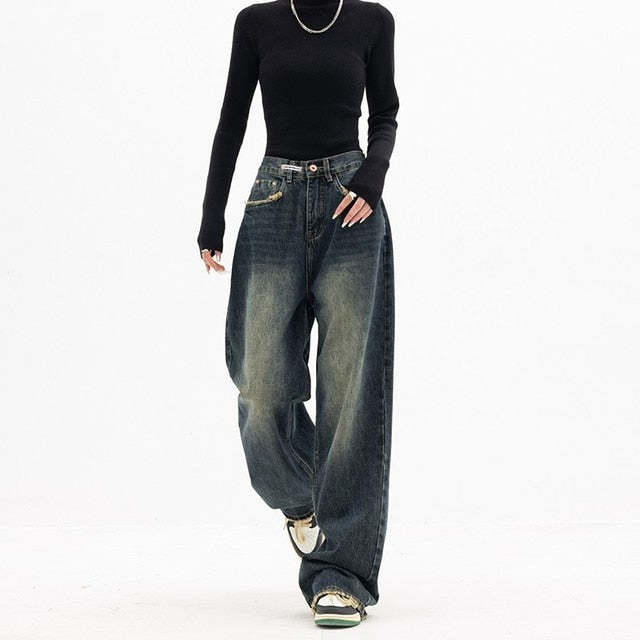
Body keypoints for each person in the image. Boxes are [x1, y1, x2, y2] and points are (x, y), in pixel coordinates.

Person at [197, 0, 399, 627]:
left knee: (350, 397)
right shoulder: (256, 22)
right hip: (273, 201)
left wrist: (373, 176)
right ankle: (303, 498)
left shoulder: (372, 20)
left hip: (350, 206)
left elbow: (385, 112)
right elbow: (233, 116)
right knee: (259, 385)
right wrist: (212, 215)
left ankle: (341, 577)